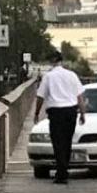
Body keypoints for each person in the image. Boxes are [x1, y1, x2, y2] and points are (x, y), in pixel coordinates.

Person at [34, 52, 86, 184]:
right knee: (67, 142)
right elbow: (79, 97)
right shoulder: (72, 75)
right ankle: (64, 169)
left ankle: (61, 172)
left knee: (58, 142)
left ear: (52, 61)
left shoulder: (48, 77)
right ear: (62, 61)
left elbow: (40, 96)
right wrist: (83, 113)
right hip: (71, 111)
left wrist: (36, 113)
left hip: (56, 112)